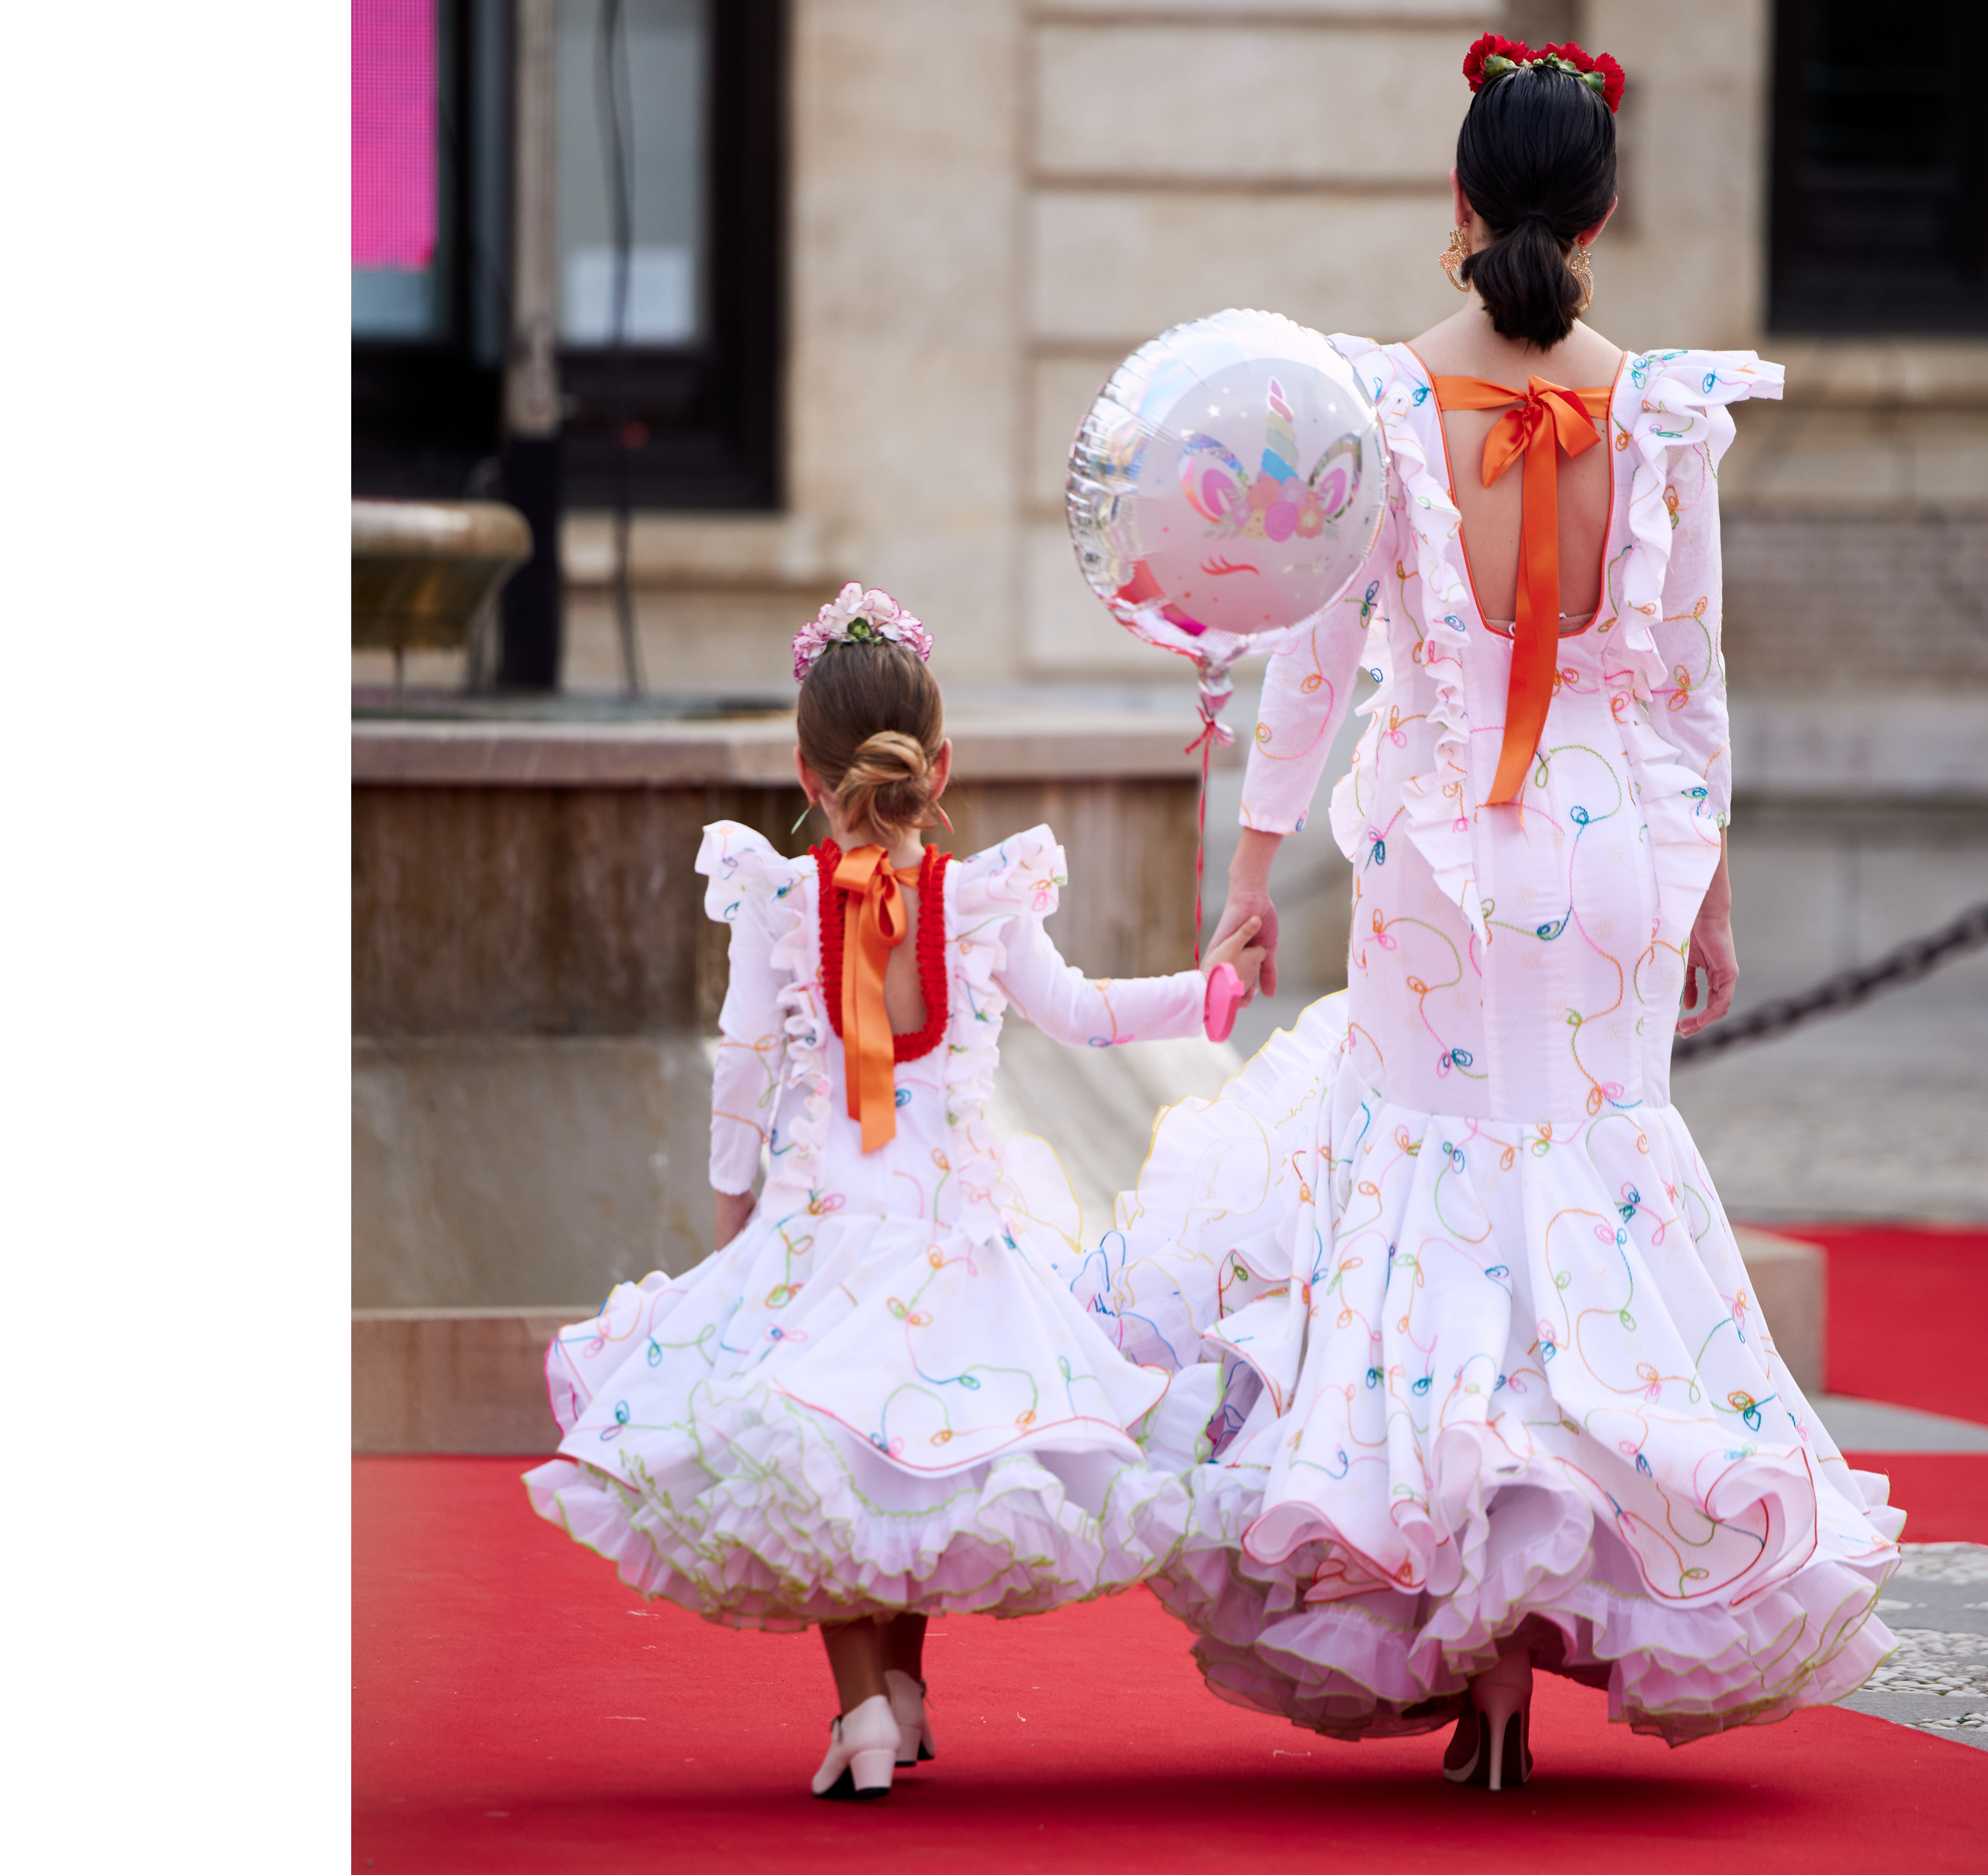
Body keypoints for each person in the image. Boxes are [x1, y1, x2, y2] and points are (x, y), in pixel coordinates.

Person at [1075, 36, 1903, 1787]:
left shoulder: (1380, 405)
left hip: (1444, 857)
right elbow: (1689, 680)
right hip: (1608, 863)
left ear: (1461, 201)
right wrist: (1709, 893)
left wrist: (1247, 871)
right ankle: (1551, 1620)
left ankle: (1485, 1654)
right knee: (1590, 1193)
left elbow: (1314, 664)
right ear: (1599, 216)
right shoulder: (1665, 410)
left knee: (1445, 1207)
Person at [524, 583, 1263, 1801]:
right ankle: (906, 1696)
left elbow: (743, 1076)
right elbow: (1080, 1015)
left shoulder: (778, 903)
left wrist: (729, 1233)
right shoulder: (978, 902)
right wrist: (1210, 993)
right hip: (952, 1241)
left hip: (821, 1235)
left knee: (825, 1455)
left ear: (808, 777)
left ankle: (867, 1704)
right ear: (941, 763)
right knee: (916, 1450)